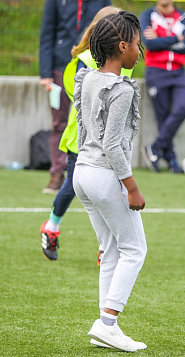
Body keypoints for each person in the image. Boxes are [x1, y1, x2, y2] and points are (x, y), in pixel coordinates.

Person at [72, 11, 147, 352]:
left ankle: (106, 328)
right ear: (122, 46)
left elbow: (84, 128)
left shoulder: (86, 78)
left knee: (112, 249)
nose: (140, 49)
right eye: (136, 43)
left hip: (81, 173)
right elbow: (112, 144)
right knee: (135, 250)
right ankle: (108, 323)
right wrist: (131, 187)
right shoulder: (121, 89)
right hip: (104, 175)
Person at [40, 6, 135, 264]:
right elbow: (76, 94)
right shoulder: (82, 60)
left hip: (113, 139)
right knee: (74, 185)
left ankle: (106, 246)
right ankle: (52, 226)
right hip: (83, 137)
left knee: (110, 188)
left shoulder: (125, 57)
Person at [39, 0, 111, 194]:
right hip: (60, 67)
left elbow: (109, 26)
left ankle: (87, 176)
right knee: (59, 123)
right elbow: (47, 34)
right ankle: (57, 174)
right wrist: (45, 74)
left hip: (91, 65)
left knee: (93, 122)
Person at [140, 0, 185, 173]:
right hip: (156, 71)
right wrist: (175, 39)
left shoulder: (184, 18)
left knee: (183, 107)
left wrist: (160, 39)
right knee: (163, 117)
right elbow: (149, 44)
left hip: (178, 72)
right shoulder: (148, 15)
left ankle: (155, 149)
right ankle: (171, 160)